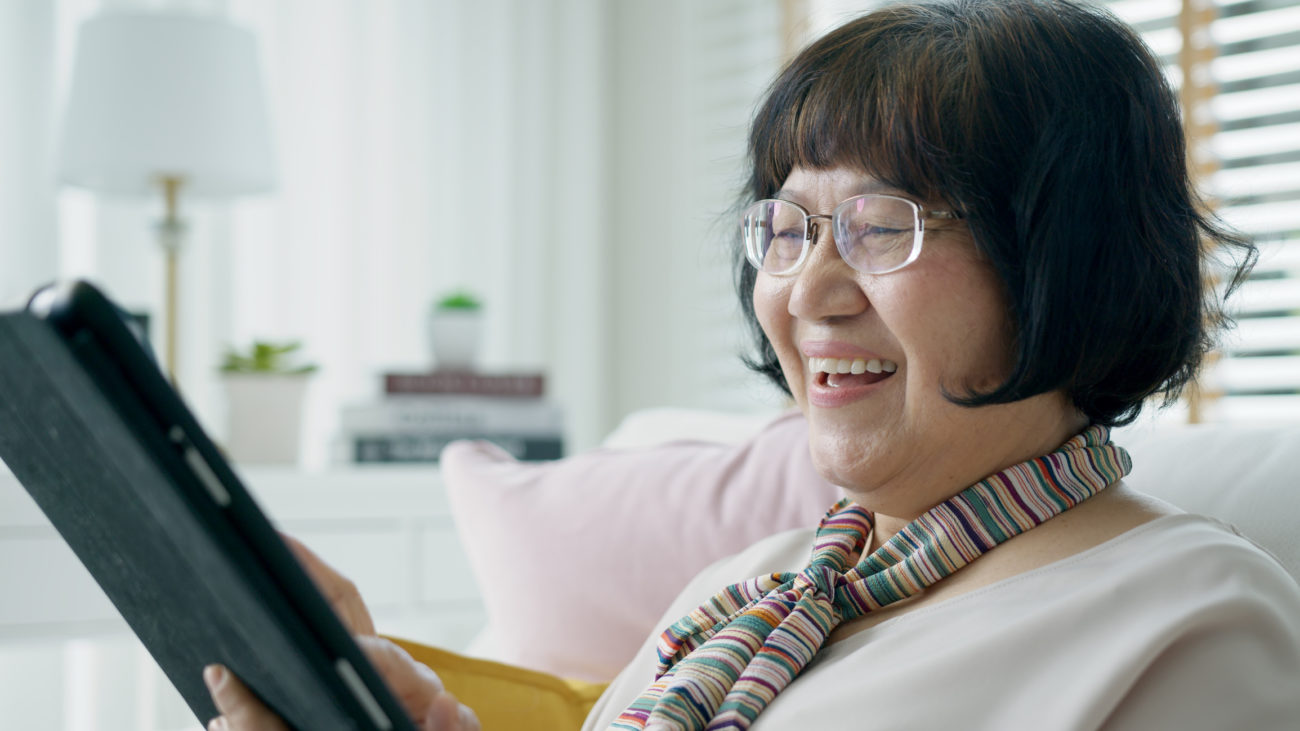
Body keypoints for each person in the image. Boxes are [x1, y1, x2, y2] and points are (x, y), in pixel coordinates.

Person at [205, 1, 1300, 729]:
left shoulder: (1194, 618)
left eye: (882, 223)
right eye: (787, 226)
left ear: (1067, 256)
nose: (810, 292)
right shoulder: (750, 586)